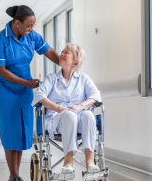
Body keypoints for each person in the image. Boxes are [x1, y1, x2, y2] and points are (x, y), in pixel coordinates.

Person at [0, 5, 60, 181]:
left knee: (22, 130)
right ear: (17, 22)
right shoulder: (0, 40)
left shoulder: (31, 37)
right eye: (29, 25)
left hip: (24, 90)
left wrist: (66, 63)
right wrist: (27, 83)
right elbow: (0, 70)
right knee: (9, 130)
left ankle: (17, 175)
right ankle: (12, 176)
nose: (31, 29)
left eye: (33, 26)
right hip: (5, 89)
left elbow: (49, 52)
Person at [32, 43, 101, 174]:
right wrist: (58, 108)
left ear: (75, 60)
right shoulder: (52, 79)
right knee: (69, 115)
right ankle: (68, 162)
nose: (61, 54)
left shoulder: (83, 79)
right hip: (56, 120)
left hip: (80, 118)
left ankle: (90, 161)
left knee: (88, 115)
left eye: (66, 52)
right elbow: (39, 95)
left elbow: (95, 96)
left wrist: (80, 106)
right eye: (61, 52)